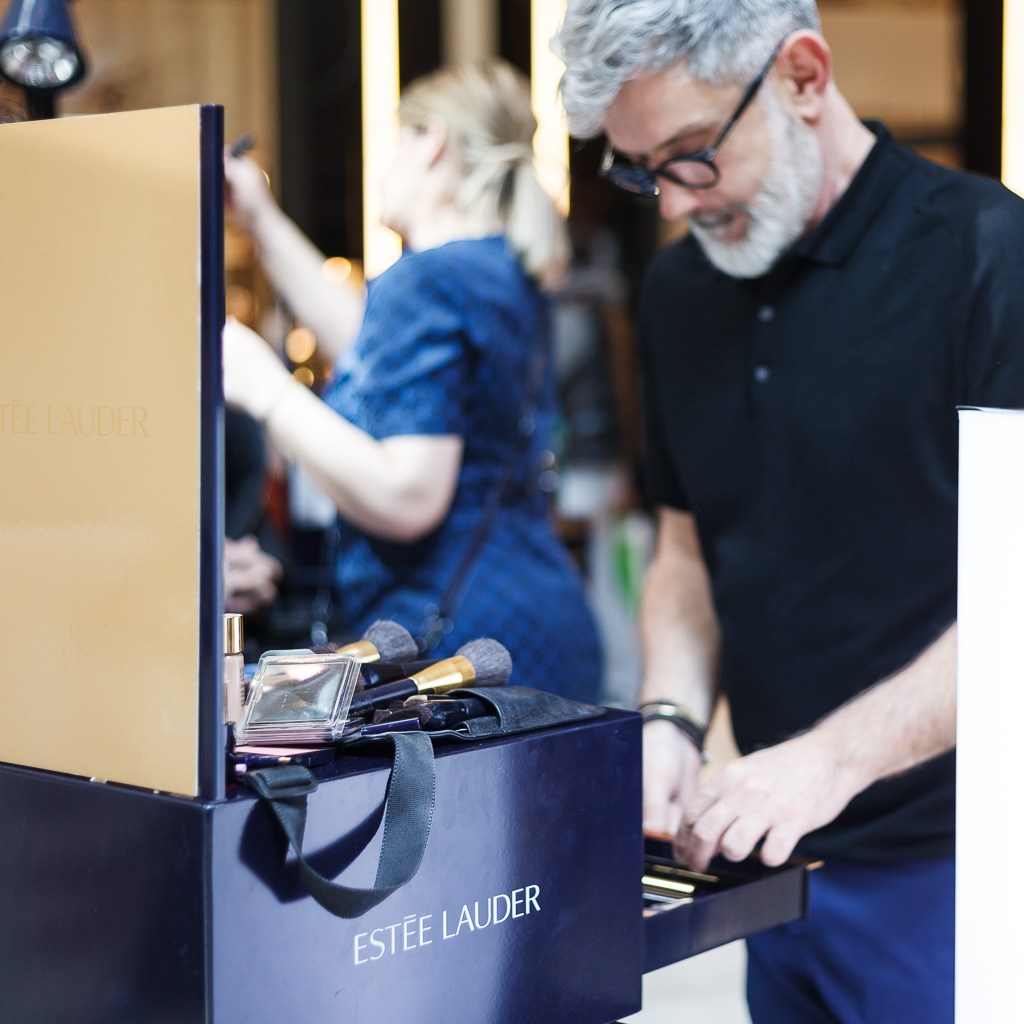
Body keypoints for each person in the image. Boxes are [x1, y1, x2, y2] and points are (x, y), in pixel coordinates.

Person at [556, 2, 1024, 1021]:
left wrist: (829, 761)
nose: (674, 203)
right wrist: (670, 717)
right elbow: (687, 547)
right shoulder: (679, 292)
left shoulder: (989, 254)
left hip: (954, 862)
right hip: (775, 856)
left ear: (804, 77)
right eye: (641, 171)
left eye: (691, 154)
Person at [222, 59, 602, 701]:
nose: (382, 171)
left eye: (395, 145)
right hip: (537, 625)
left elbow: (407, 495)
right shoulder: (499, 272)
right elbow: (377, 354)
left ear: (432, 141)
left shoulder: (426, 279)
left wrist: (267, 390)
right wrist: (259, 218)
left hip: (461, 651)